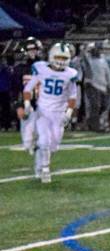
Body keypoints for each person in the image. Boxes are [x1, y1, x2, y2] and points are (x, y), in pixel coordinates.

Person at [21, 42, 78, 184]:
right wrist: (27, 104)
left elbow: (73, 96)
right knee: (44, 141)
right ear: (52, 56)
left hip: (59, 113)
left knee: (54, 144)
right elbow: (28, 89)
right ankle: (44, 169)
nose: (61, 61)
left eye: (64, 58)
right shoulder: (42, 69)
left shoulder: (70, 74)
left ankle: (40, 163)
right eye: (58, 57)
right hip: (43, 111)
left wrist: (69, 113)